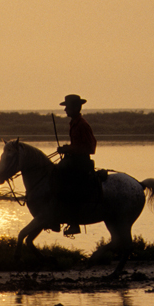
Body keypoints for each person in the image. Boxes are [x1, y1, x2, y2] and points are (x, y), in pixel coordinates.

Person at [55, 94, 98, 236]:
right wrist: (67, 149)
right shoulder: (74, 123)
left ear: (75, 108)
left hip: (81, 164)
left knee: (68, 186)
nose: (65, 110)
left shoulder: (82, 125)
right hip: (74, 161)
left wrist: (69, 149)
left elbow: (90, 148)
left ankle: (74, 223)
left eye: (67, 107)